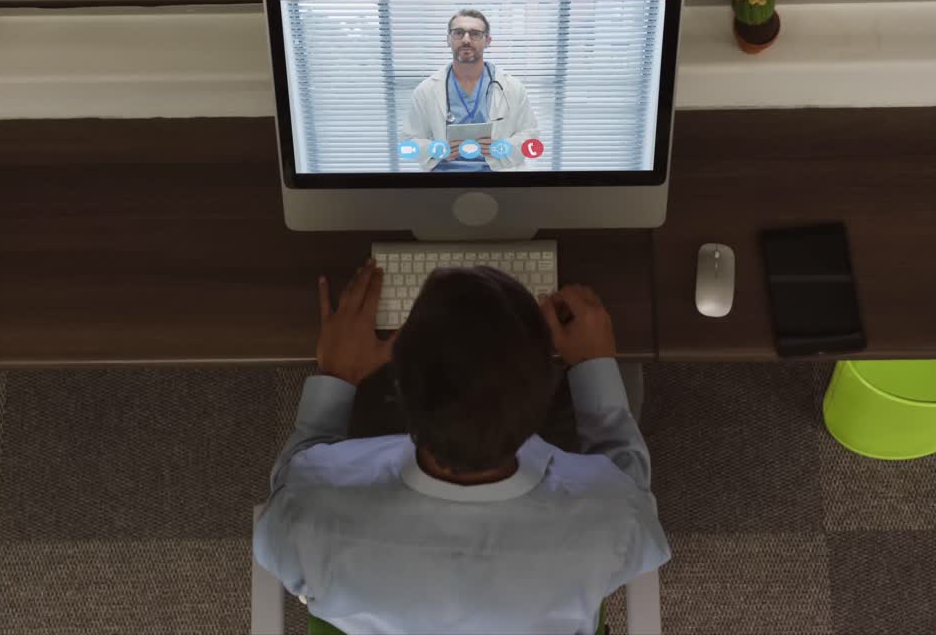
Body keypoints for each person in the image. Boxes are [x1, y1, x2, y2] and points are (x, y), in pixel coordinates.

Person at [254, 259, 671, 634]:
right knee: (625, 375)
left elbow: (293, 484)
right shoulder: (613, 523)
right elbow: (629, 487)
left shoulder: (307, 518)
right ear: (545, 391)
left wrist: (338, 376)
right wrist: (592, 364)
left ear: (397, 391)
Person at [400, 9, 540, 173]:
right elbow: (408, 145)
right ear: (448, 39)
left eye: (475, 34)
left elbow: (531, 138)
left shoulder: (512, 88)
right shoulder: (426, 90)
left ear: (488, 40)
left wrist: (503, 147)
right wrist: (435, 149)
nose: (466, 40)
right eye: (458, 33)